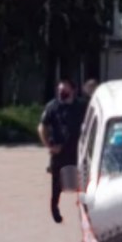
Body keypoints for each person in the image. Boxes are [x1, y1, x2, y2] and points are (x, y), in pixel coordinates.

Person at [37, 79, 86, 224]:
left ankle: (85, 212)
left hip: (78, 151)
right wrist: (49, 146)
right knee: (57, 184)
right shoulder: (52, 106)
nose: (61, 93)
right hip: (59, 151)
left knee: (82, 183)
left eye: (64, 90)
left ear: (73, 90)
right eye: (59, 91)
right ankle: (54, 208)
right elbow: (42, 127)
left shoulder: (81, 106)